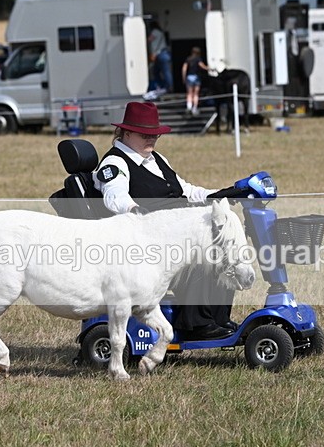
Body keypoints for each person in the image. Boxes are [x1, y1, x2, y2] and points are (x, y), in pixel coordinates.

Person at [92, 101, 236, 340]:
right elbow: (114, 195)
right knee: (201, 257)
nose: (152, 139)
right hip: (146, 243)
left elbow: (186, 190)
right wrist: (133, 208)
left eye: (155, 134)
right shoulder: (114, 163)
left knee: (225, 254)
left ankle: (217, 320)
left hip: (173, 235)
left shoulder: (156, 158)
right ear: (126, 133)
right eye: (145, 135)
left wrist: (222, 194)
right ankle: (196, 325)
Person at [182, 47, 208, 115]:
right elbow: (202, 66)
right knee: (196, 94)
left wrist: (184, 78)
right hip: (196, 77)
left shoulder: (188, 59)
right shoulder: (198, 59)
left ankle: (189, 106)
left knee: (189, 93)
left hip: (189, 77)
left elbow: (184, 69)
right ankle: (194, 108)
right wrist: (209, 68)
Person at [147, 21, 173, 93]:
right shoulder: (160, 32)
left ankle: (166, 86)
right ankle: (166, 86)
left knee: (160, 72)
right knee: (162, 71)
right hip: (163, 53)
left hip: (160, 54)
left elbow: (149, 39)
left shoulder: (155, 31)